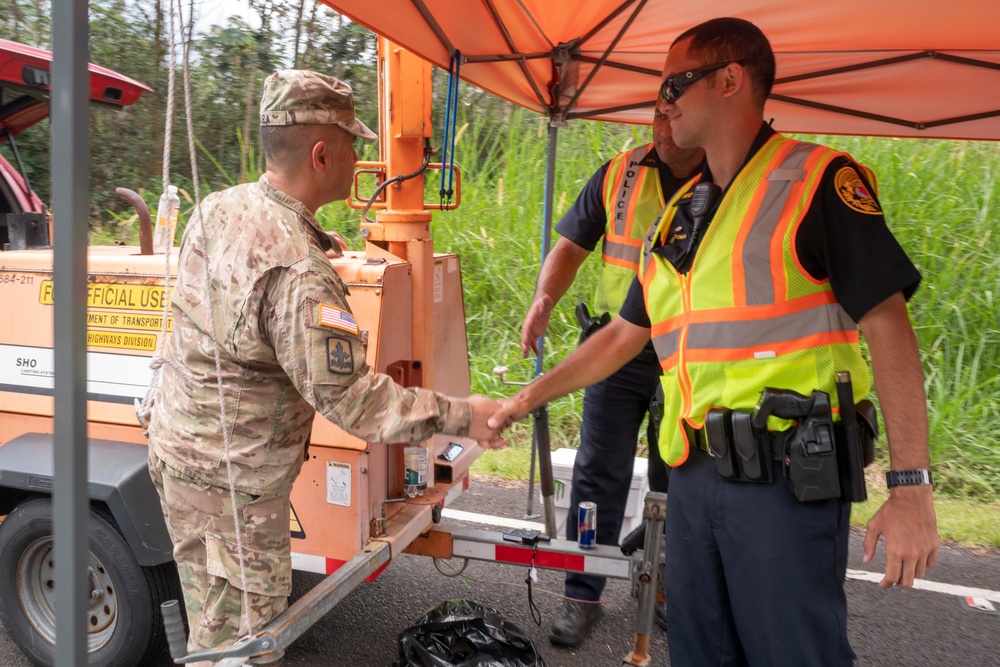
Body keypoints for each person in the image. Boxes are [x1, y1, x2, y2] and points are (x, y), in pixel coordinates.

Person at [490, 17, 939, 666]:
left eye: (675, 83)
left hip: (785, 482)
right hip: (694, 481)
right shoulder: (679, 214)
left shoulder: (816, 183)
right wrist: (526, 396)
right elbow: (623, 334)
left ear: (731, 80)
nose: (663, 101)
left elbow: (890, 329)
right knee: (700, 652)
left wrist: (910, 489)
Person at [146, 70, 500, 662]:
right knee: (240, 646)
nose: (359, 154)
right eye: (352, 144)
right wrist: (464, 415)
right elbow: (357, 402)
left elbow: (241, 294)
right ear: (320, 154)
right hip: (233, 490)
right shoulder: (301, 276)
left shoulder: (220, 208)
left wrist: (312, 242)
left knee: (209, 611)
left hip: (181, 457)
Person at [520, 108, 702, 645]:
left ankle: (665, 588)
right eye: (657, 119)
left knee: (680, 477)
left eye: (674, 119)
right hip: (614, 349)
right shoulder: (619, 173)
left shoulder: (727, 174)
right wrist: (543, 299)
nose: (663, 130)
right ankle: (582, 594)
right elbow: (571, 247)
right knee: (597, 475)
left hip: (687, 355)